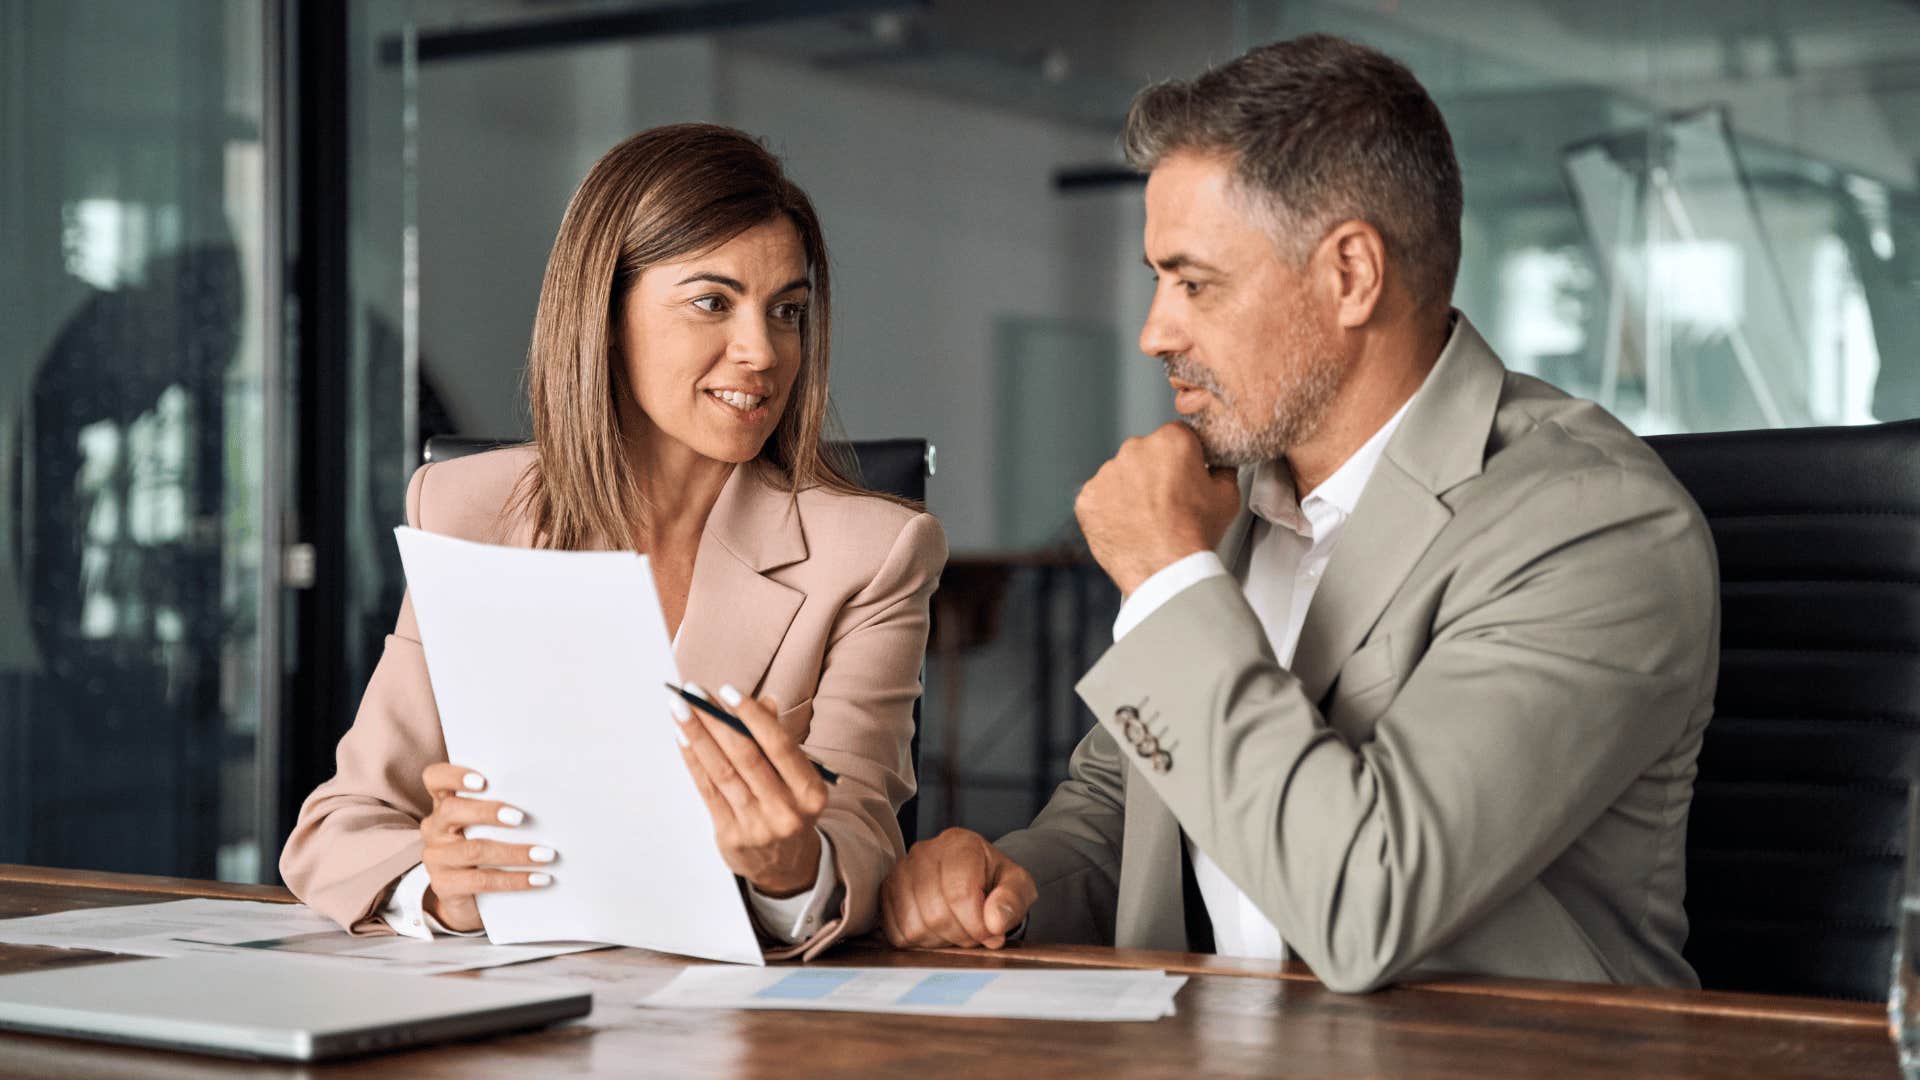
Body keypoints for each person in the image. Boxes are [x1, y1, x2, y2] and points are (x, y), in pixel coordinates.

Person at [879, 35, 1718, 993]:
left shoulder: (1592, 527)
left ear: (1350, 275)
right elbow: (1126, 802)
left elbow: (1370, 899)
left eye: (1195, 282)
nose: (1156, 331)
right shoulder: (1233, 496)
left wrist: (1166, 578)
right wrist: (1014, 882)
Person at [281, 124, 946, 960]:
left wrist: (789, 869)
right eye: (713, 301)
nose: (763, 352)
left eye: (788, 312)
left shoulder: (873, 553)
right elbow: (338, 829)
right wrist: (442, 889)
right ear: (605, 311)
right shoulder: (466, 510)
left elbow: (864, 841)